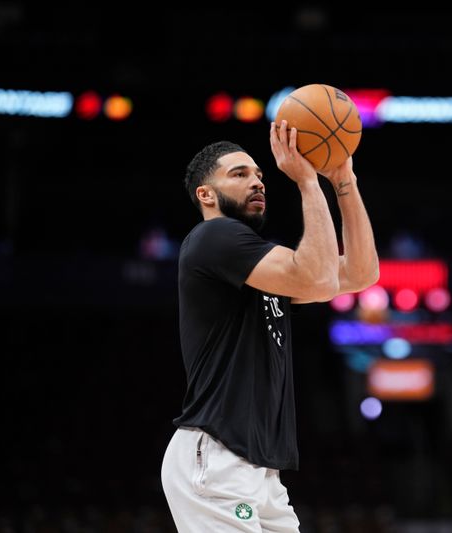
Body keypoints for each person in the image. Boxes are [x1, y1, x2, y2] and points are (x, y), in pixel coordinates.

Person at [161, 120, 379, 532]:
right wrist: (308, 184)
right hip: (218, 455)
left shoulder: (258, 264)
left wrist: (344, 180)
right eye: (239, 174)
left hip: (258, 468)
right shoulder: (213, 239)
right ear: (205, 195)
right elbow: (315, 277)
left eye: (260, 174)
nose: (258, 182)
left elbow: (362, 274)